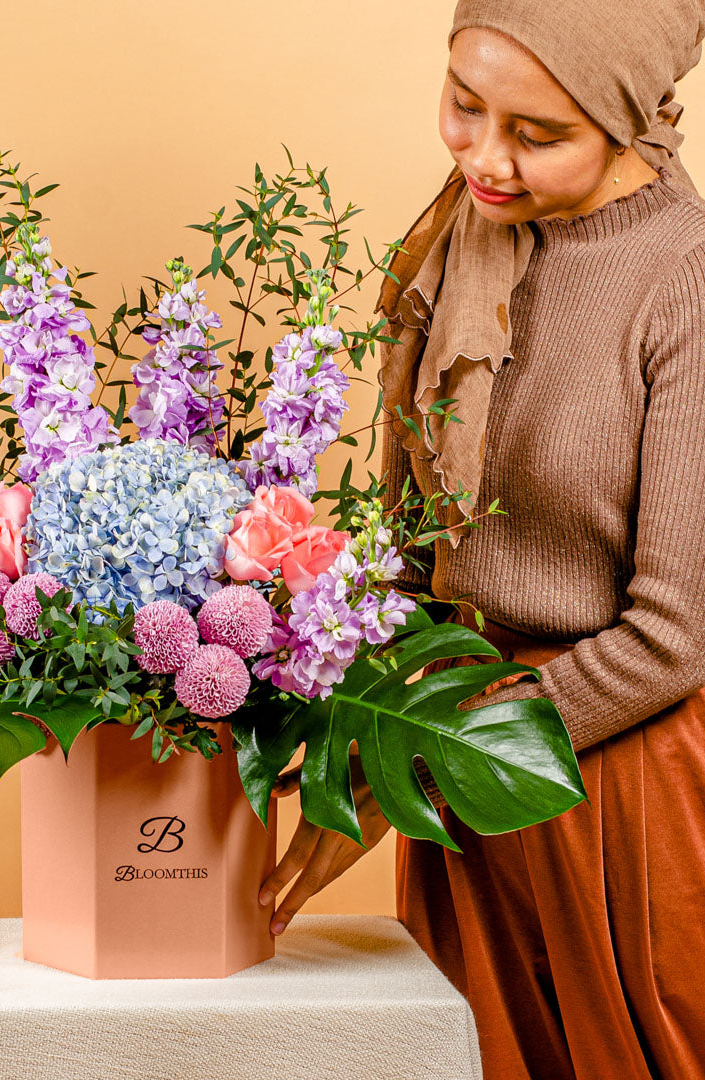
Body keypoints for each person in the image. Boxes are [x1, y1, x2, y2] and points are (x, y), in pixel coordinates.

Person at [258, 2, 705, 1077]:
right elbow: (414, 545)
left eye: (538, 134)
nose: (485, 157)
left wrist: (424, 753)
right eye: (465, 105)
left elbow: (674, 639)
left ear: (631, 120)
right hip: (458, 759)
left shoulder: (683, 280)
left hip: (610, 780)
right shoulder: (456, 239)